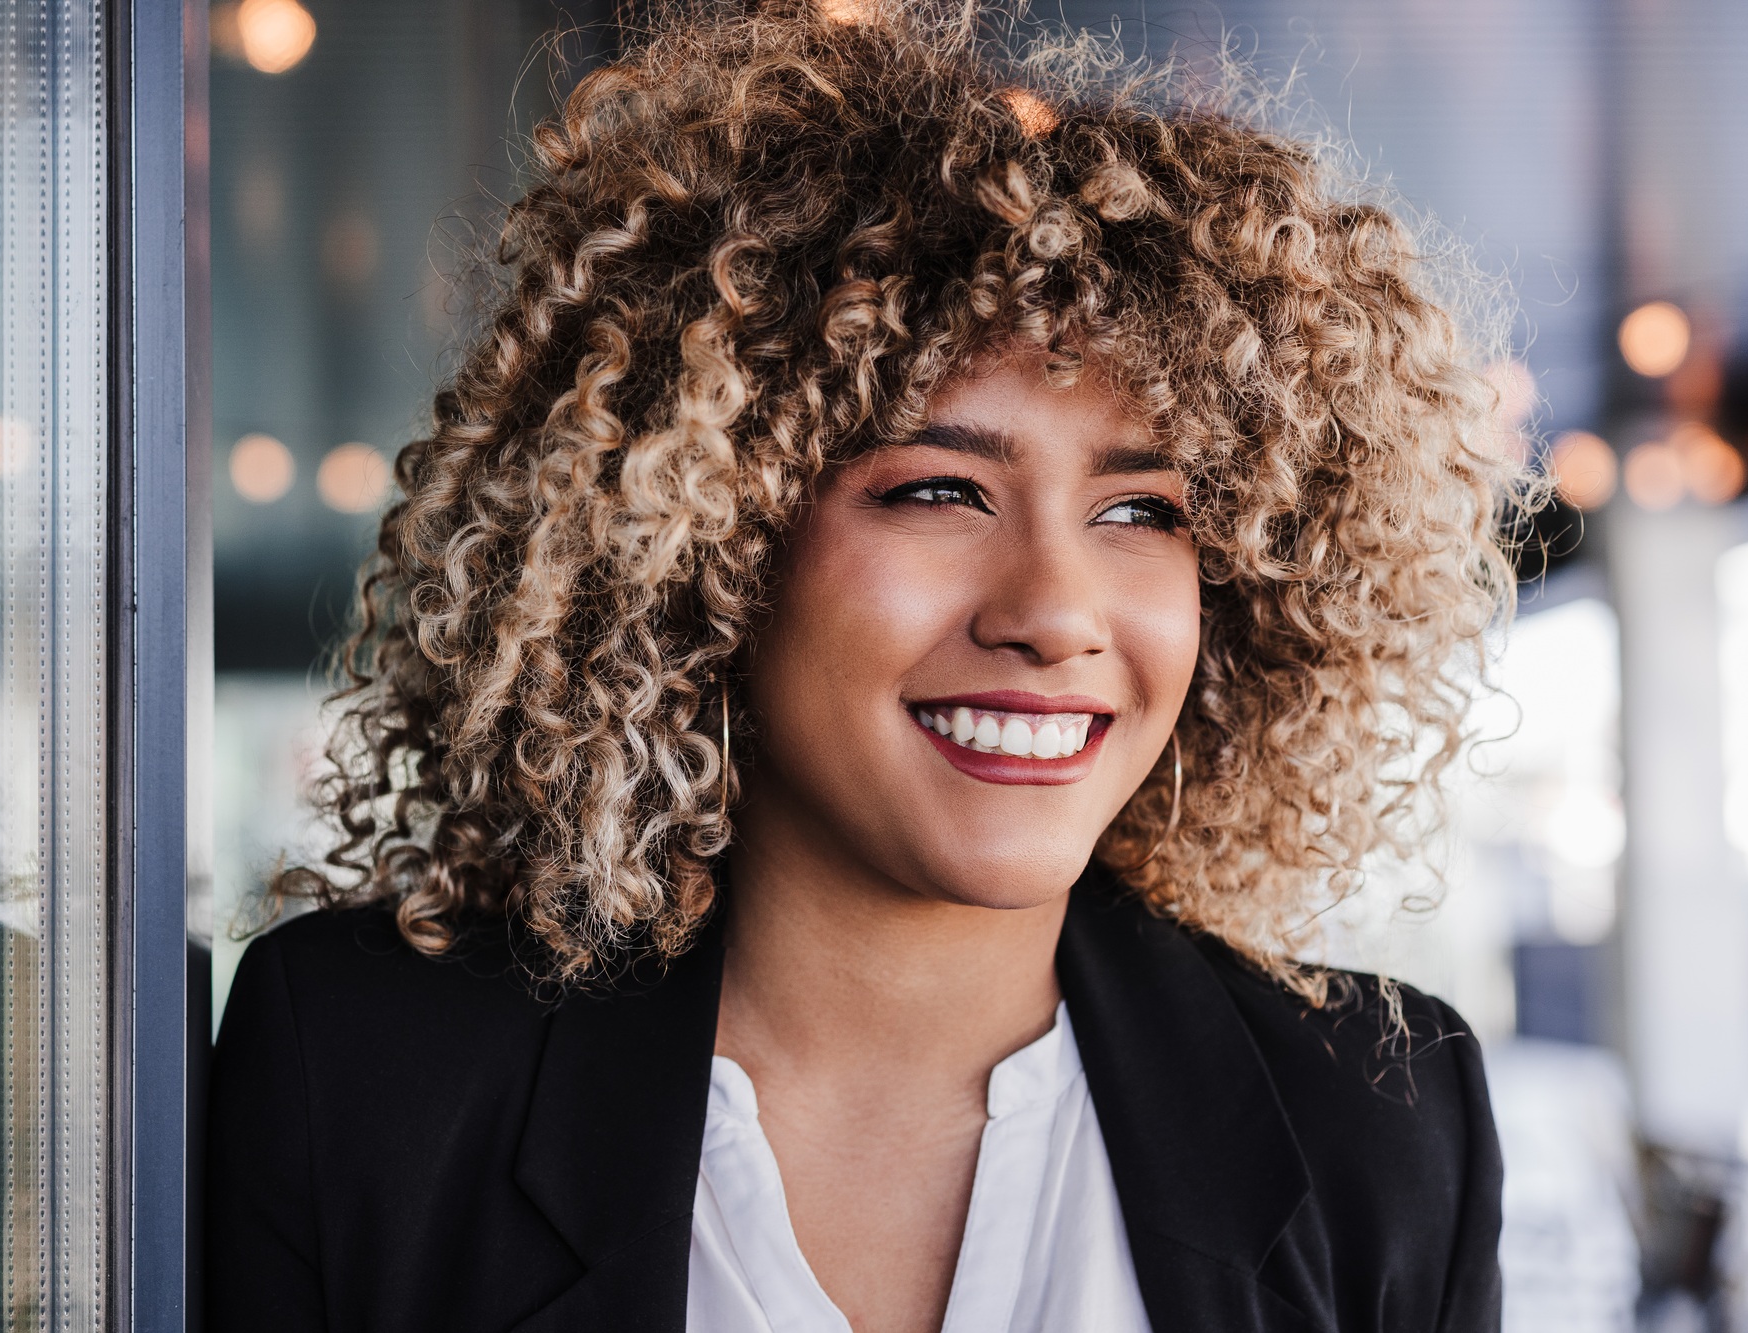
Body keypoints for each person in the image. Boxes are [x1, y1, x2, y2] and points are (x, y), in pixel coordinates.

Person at [209, 3, 1519, 1329]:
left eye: (1141, 511)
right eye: (940, 491)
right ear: (711, 536)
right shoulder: (364, 1086)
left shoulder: (1384, 1129)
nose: (1056, 613)